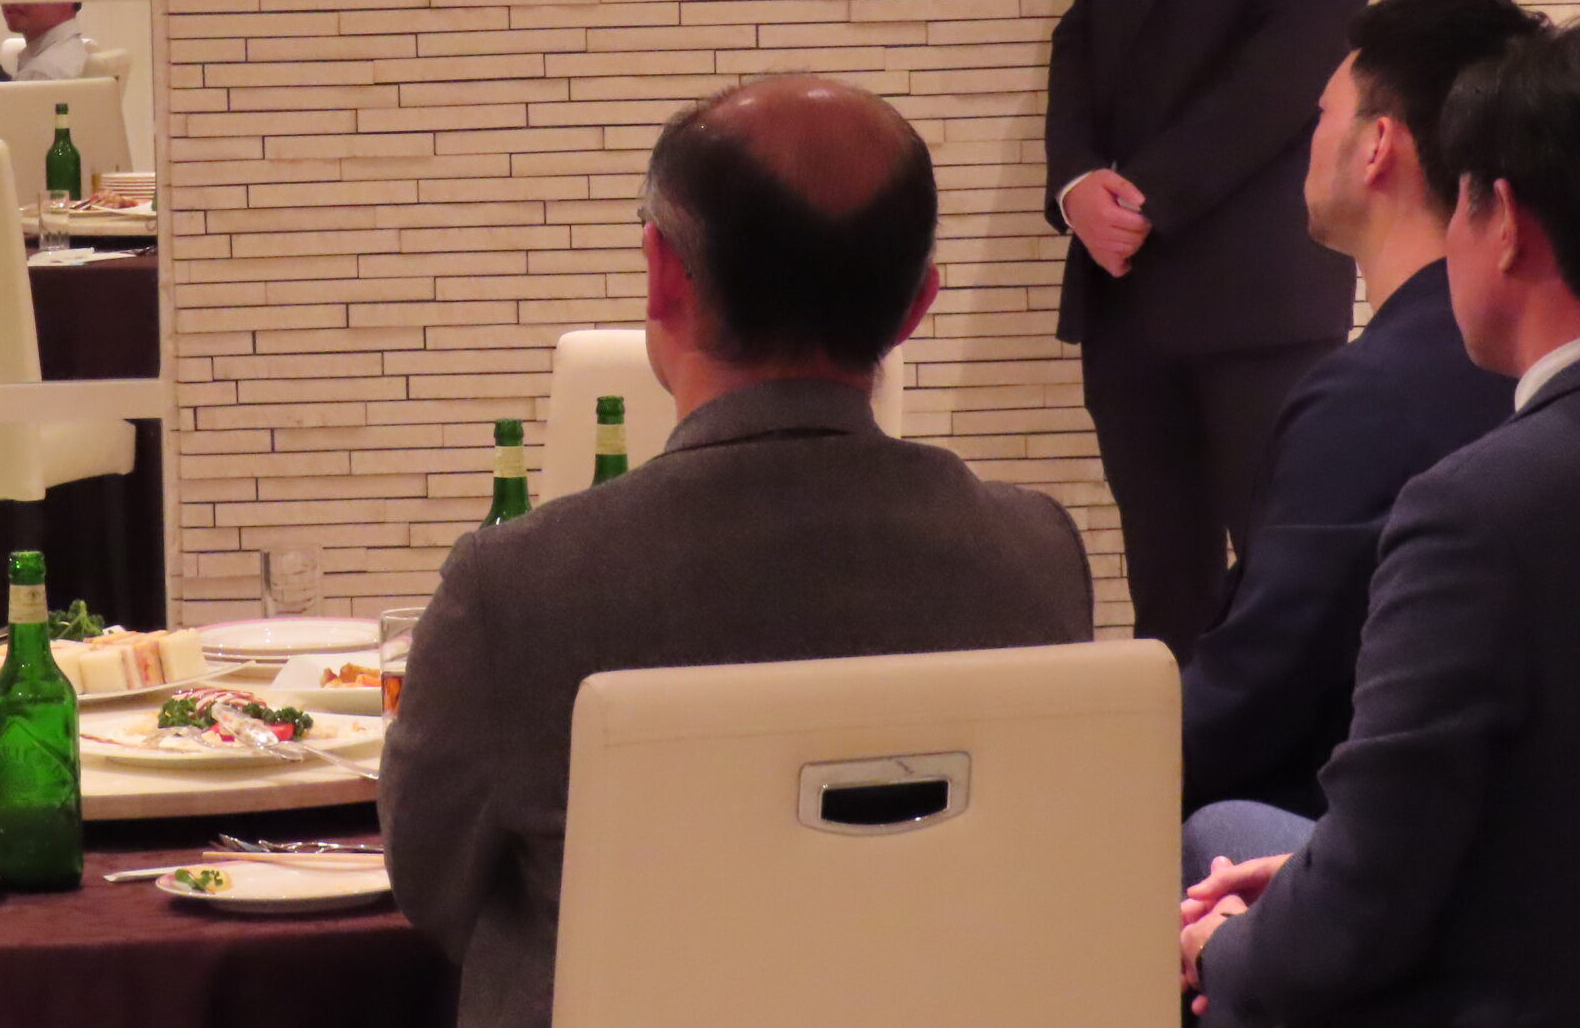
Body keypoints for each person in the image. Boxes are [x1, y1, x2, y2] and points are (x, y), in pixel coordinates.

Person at [384, 77, 1094, 1028]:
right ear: (917, 306)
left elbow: (432, 893)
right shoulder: (1036, 557)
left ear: (663, 274)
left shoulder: (514, 588)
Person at [1181, 19, 1580, 1027]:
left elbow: (1358, 913)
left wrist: (1226, 952)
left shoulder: (1479, 512)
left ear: (1503, 222)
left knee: (1211, 865)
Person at [1044, 0, 1385, 660]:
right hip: (1124, 287)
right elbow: (1082, 39)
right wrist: (1075, 185)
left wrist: (1144, 195)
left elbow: (1291, 64)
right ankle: (1179, 769)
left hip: (1252, 291)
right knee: (1165, 600)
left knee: (1286, 595)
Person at [1181, 0, 1537, 828]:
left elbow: (1254, 693)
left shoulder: (1373, 398)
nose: (1309, 141)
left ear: (1378, 145)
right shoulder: (1539, 352)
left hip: (1369, 833)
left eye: (1323, 115)